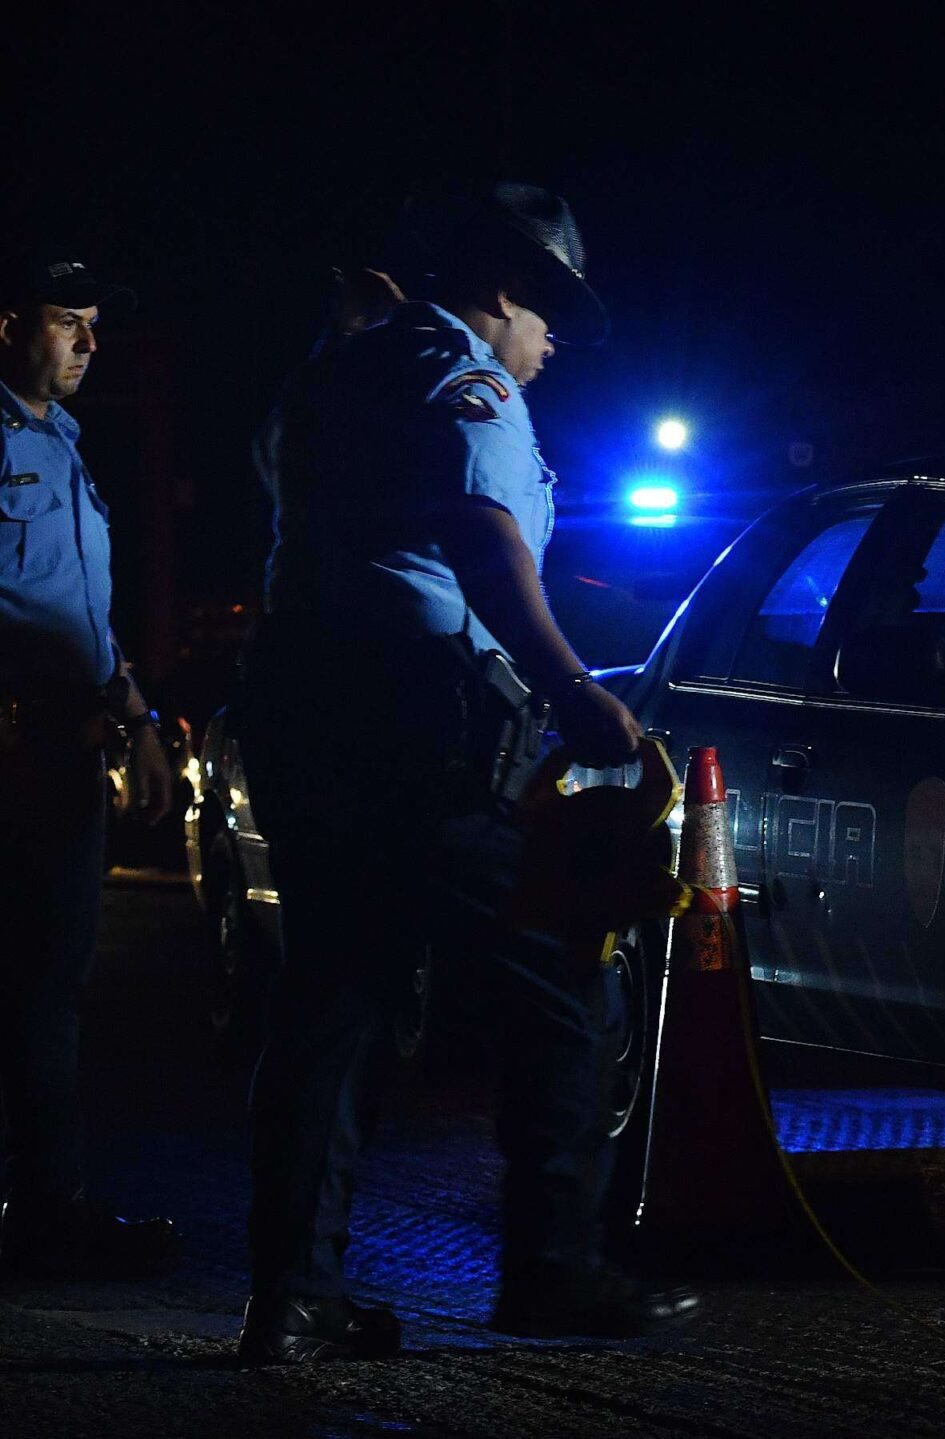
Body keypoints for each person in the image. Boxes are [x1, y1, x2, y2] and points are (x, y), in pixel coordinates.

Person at [233, 182, 699, 1363]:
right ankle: (555, 1266)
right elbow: (487, 541)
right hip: (422, 728)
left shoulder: (343, 367)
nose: (549, 353)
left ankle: (290, 1300)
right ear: (504, 293)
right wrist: (578, 693)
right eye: (548, 321)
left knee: (332, 1003)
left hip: (310, 710)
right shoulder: (467, 380)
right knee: (558, 983)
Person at [0, 249, 183, 1280]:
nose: (88, 344)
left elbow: (78, 610)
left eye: (94, 323)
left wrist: (141, 717)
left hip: (63, 750)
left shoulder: (63, 443)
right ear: (7, 323)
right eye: (68, 320)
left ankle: (46, 1207)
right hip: (12, 742)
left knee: (48, 986)